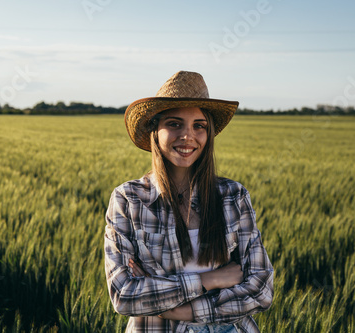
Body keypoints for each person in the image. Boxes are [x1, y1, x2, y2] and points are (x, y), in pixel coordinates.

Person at [104, 71, 273, 333]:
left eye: (199, 125)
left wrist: (179, 310)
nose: (188, 135)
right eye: (174, 124)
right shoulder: (129, 200)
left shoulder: (233, 196)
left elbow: (261, 288)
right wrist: (211, 279)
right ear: (154, 129)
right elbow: (124, 294)